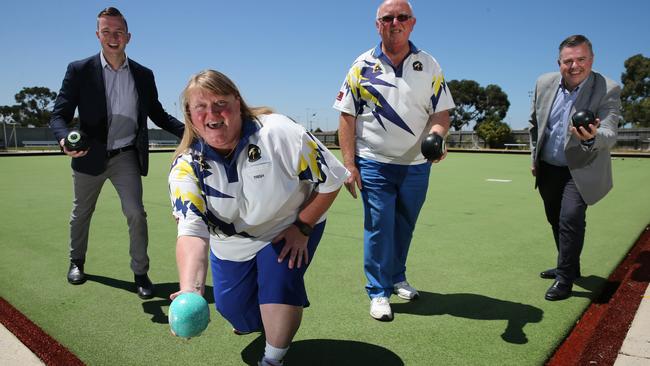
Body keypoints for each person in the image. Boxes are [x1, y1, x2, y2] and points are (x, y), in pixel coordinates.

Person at [169, 69, 348, 366]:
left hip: (288, 225)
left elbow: (332, 180)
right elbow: (191, 232)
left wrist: (303, 226)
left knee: (278, 286)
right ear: (189, 114)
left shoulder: (278, 133)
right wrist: (192, 291)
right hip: (232, 245)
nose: (211, 113)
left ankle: (273, 358)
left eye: (220, 103)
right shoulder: (186, 167)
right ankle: (260, 316)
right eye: (200, 106)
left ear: (238, 103)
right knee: (238, 313)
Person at [49, 7, 185, 299]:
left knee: (136, 213)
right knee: (81, 214)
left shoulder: (143, 75)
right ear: (98, 35)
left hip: (126, 156)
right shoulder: (79, 70)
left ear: (129, 37)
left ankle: (140, 273)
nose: (113, 37)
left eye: (119, 32)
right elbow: (58, 115)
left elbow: (158, 114)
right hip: (88, 154)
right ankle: (77, 262)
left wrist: (190, 133)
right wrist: (63, 140)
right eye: (107, 31)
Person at [332, 0, 455, 321]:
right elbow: (346, 117)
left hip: (416, 165)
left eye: (401, 17)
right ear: (378, 25)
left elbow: (441, 112)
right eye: (387, 18)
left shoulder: (428, 64)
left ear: (412, 23)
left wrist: (438, 134)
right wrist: (350, 164)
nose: (394, 22)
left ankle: (397, 276)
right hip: (374, 162)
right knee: (378, 227)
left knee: (404, 226)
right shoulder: (361, 66)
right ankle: (377, 291)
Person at [529, 34, 622, 301]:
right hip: (549, 165)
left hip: (582, 166)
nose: (575, 66)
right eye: (568, 61)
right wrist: (534, 158)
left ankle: (565, 278)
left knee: (570, 217)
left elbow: (610, 132)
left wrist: (591, 137)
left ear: (591, 60)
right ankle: (568, 264)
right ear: (559, 62)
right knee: (555, 218)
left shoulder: (608, 88)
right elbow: (535, 123)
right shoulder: (544, 83)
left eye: (581, 59)